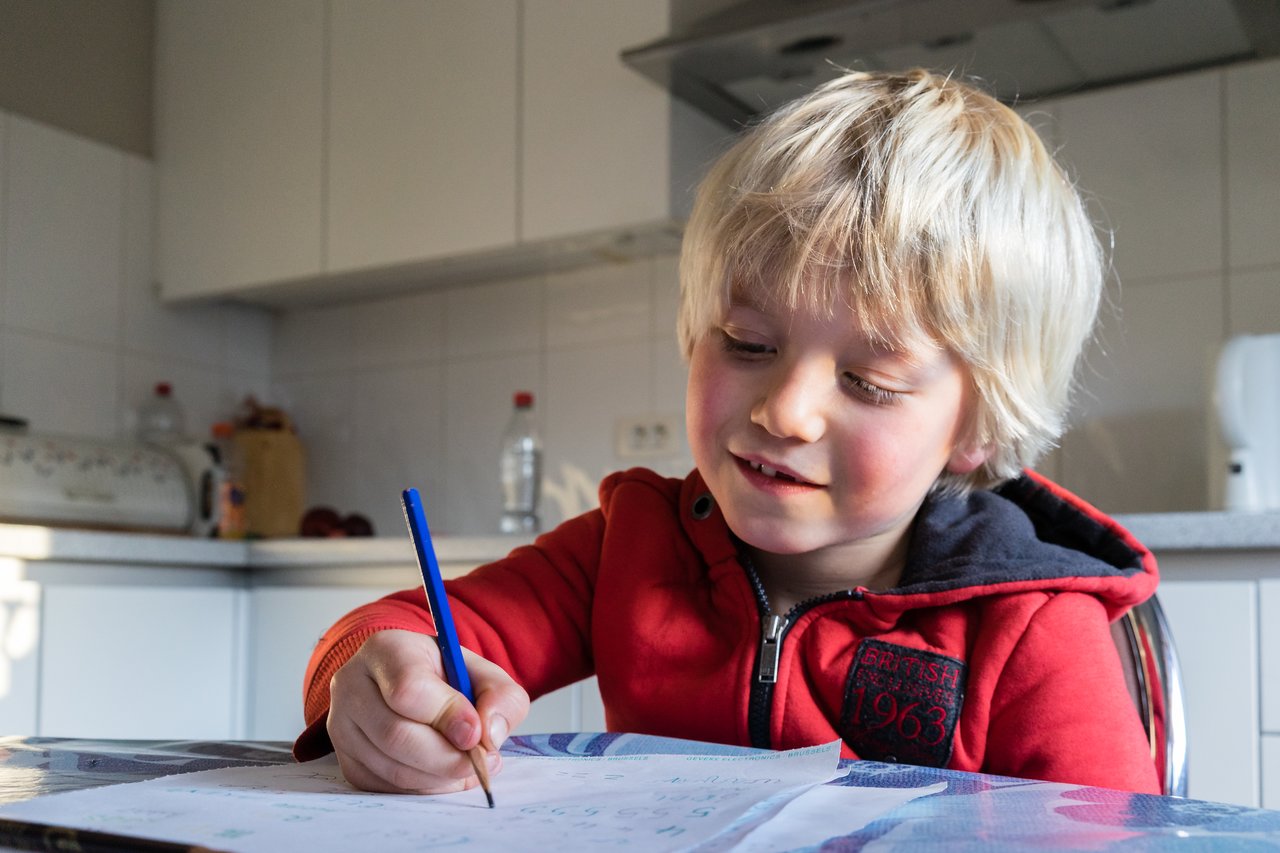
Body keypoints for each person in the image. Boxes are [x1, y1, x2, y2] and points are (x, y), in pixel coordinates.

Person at [294, 68, 1162, 796]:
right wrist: (377, 679)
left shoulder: (1031, 629)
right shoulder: (625, 547)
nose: (784, 410)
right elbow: (388, 631)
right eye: (748, 344)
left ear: (975, 428)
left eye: (870, 380)